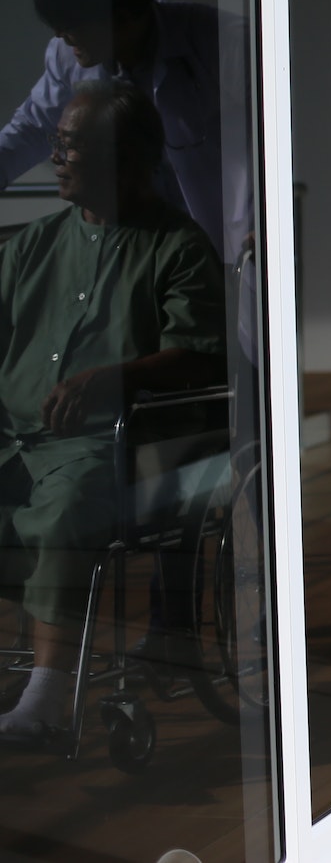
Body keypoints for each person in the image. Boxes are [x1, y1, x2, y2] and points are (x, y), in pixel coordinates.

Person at [0, 80, 225, 746]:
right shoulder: (35, 244)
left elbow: (202, 356)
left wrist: (113, 378)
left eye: (70, 146)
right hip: (16, 437)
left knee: (69, 505)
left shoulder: (176, 247)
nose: (55, 157)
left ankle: (43, 700)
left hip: (114, 447)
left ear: (125, 159)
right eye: (58, 143)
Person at [0, 0, 252, 265]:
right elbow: (32, 127)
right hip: (134, 246)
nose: (60, 35)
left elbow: (272, 139)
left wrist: (264, 218)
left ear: (121, 16)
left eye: (71, 23)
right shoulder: (66, 57)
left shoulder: (223, 43)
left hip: (221, 239)